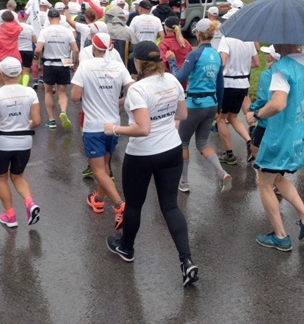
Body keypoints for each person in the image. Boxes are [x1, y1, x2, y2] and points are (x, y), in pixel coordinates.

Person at [104, 41, 198, 287]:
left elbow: (143, 128)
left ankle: (127, 247)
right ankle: (186, 260)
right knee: (170, 206)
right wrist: (164, 124)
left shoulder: (138, 89)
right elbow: (182, 115)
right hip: (171, 150)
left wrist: (114, 129)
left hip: (143, 155)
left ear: (138, 62)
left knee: (134, 205)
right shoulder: (172, 80)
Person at [252, 44, 304, 252]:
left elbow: (277, 104)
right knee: (278, 177)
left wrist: (257, 115)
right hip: (301, 134)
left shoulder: (281, 68)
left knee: (264, 183)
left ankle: (281, 236)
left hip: (280, 136)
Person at [71, 33, 133, 228]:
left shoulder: (86, 66)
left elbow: (74, 96)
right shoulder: (118, 66)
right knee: (105, 165)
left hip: (93, 127)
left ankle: (120, 205)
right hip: (113, 125)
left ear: (93, 47)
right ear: (109, 48)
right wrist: (120, 102)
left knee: (98, 170)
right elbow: (133, 88)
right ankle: (98, 199)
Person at [0, 57, 41, 228]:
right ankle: (30, 203)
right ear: (20, 72)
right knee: (18, 176)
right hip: (24, 141)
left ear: (1, 73)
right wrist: (27, 125)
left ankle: (10, 216)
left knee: (2, 178)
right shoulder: (30, 92)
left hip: (2, 143)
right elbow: (37, 120)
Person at [166, 19, 230, 194]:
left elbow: (179, 78)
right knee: (202, 142)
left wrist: (172, 62)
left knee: (183, 143)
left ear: (198, 34)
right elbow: (220, 84)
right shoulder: (217, 55)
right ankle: (221, 172)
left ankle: (184, 181)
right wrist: (219, 109)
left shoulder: (194, 54)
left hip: (195, 104)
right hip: (212, 103)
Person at [216, 34, 259, 165]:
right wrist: (243, 67)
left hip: (228, 84)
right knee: (233, 117)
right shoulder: (249, 39)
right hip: (243, 83)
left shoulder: (227, 39)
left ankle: (229, 154)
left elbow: (222, 63)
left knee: (220, 118)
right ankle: (249, 142)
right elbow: (257, 63)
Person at [34, 9, 79, 129]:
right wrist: (75, 63)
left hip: (49, 64)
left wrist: (36, 57)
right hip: (64, 64)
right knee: (62, 93)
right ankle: (63, 111)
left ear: (49, 19)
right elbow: (76, 50)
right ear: (59, 18)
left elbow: (38, 49)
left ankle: (51, 120)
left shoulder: (45, 31)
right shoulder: (67, 31)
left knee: (48, 92)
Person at [16, 10, 37, 87]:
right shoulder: (30, 27)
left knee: (18, 70)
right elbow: (34, 40)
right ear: (26, 17)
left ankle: (18, 85)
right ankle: (24, 86)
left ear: (18, 17)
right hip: (28, 50)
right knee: (26, 70)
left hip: (17, 50)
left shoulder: (15, 27)